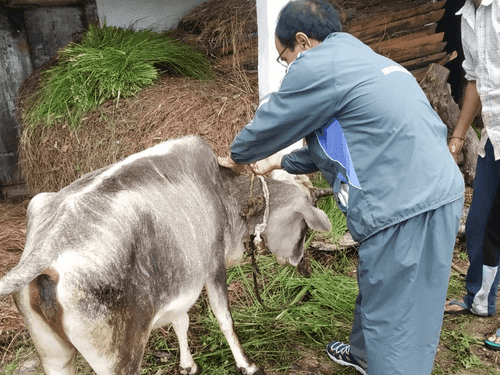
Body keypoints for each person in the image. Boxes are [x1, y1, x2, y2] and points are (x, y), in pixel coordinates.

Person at [218, 0, 464, 374]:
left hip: (403, 204)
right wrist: (277, 162)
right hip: (435, 190)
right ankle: (364, 355)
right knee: (385, 284)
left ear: (302, 41)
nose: (287, 65)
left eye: (284, 57)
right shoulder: (360, 59)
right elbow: (339, 146)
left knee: (399, 319)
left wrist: (239, 155)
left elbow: (269, 123)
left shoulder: (317, 65)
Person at [443, 0, 500, 351]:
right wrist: (459, 137)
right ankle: (479, 299)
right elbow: (476, 79)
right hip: (494, 135)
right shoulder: (468, 15)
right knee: (479, 221)